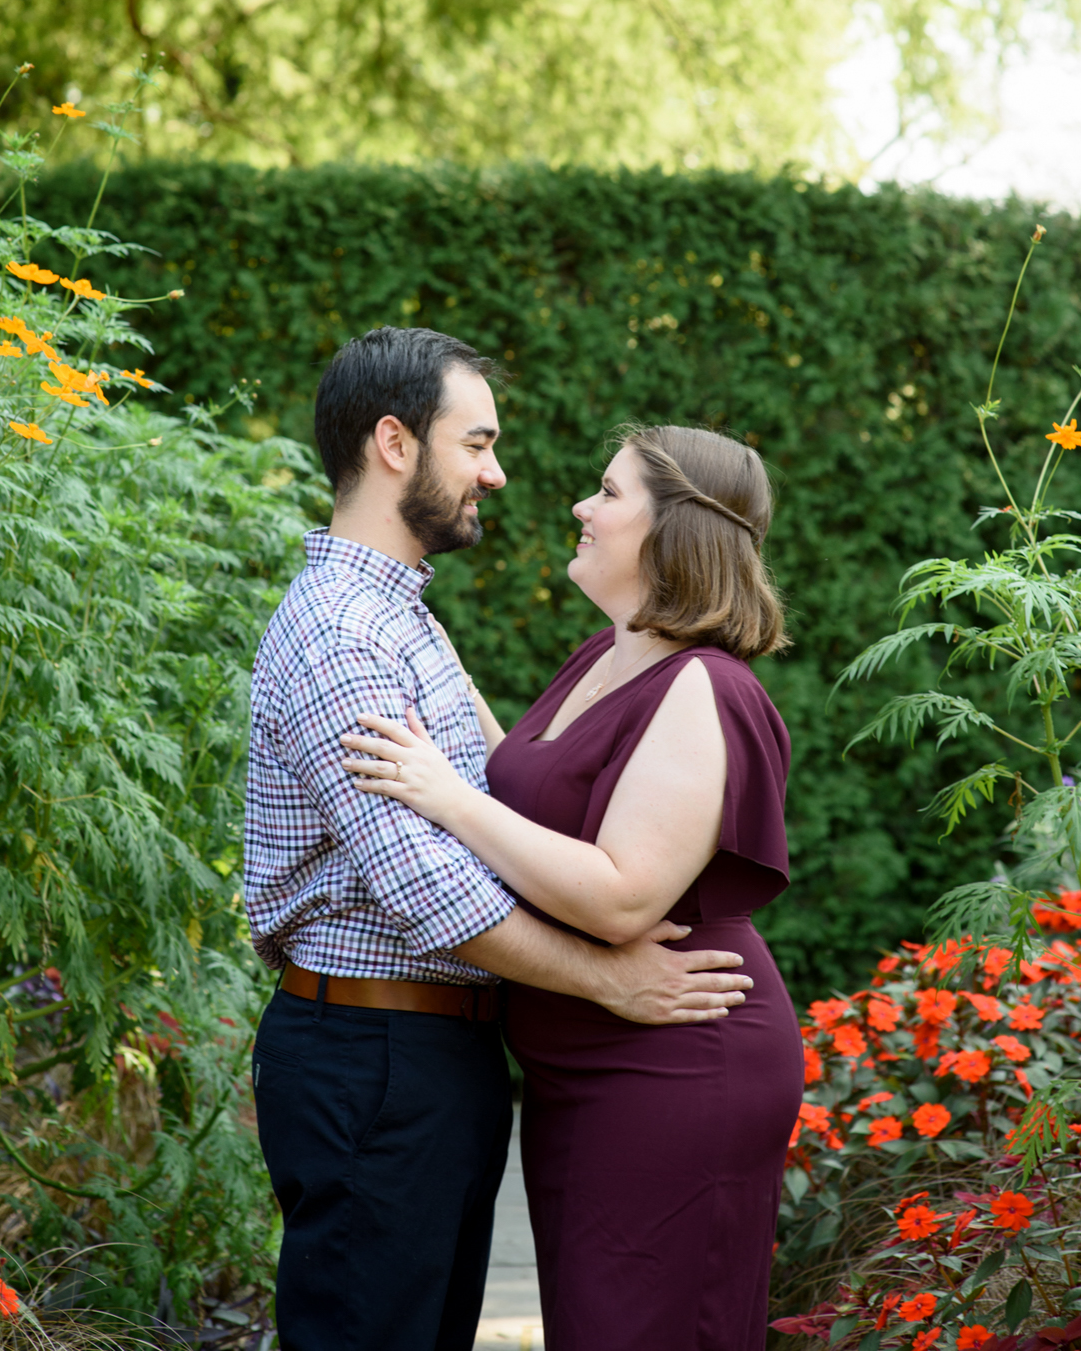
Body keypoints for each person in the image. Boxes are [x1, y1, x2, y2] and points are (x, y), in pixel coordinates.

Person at [243, 326, 757, 1351]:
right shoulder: (346, 635)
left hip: (423, 1054)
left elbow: (507, 794)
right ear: (395, 444)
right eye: (474, 443)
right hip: (376, 1054)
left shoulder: (406, 622)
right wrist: (606, 981)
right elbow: (426, 888)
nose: (498, 472)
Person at [341, 424, 802, 1351]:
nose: (582, 509)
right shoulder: (609, 655)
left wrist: (444, 797)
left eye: (608, 493)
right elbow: (544, 784)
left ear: (676, 532)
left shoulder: (704, 685)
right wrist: (436, 671)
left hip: (675, 1062)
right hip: (588, 1069)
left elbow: (622, 892)